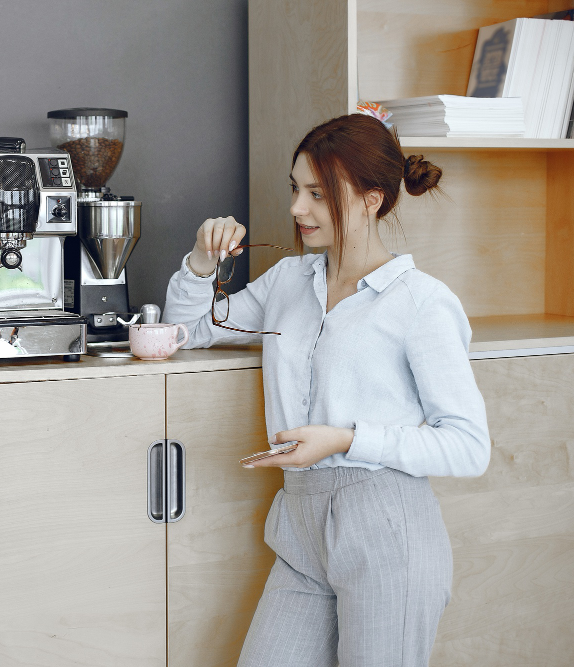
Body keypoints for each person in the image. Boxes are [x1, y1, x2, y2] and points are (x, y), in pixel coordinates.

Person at [163, 113, 491, 667]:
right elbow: (186, 333)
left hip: (387, 527)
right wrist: (201, 262)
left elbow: (467, 445)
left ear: (372, 199)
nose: (297, 208)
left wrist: (345, 438)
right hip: (300, 527)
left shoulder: (421, 302)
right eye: (295, 188)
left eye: (318, 193)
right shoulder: (288, 281)